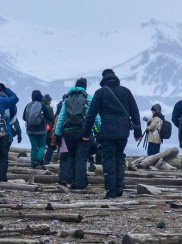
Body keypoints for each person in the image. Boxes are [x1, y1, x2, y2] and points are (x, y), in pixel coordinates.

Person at [82, 69, 140, 199]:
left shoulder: (100, 93)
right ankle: (120, 185)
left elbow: (91, 115)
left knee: (108, 159)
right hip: (123, 132)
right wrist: (137, 132)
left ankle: (111, 190)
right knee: (119, 157)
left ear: (103, 79)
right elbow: (135, 112)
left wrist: (86, 133)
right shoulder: (126, 91)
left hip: (107, 132)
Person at [55, 78, 95, 190]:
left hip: (69, 132)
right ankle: (80, 183)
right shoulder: (88, 98)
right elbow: (94, 116)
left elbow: (61, 117)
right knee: (81, 158)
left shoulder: (67, 97)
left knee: (71, 156)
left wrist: (58, 133)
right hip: (84, 131)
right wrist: (99, 130)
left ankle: (72, 181)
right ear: (85, 86)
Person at [41, 94, 57, 165]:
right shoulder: (49, 108)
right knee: (51, 145)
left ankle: (39, 160)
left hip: (38, 129)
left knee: (40, 145)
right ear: (48, 101)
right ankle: (46, 161)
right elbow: (52, 119)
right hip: (47, 129)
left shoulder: (38, 106)